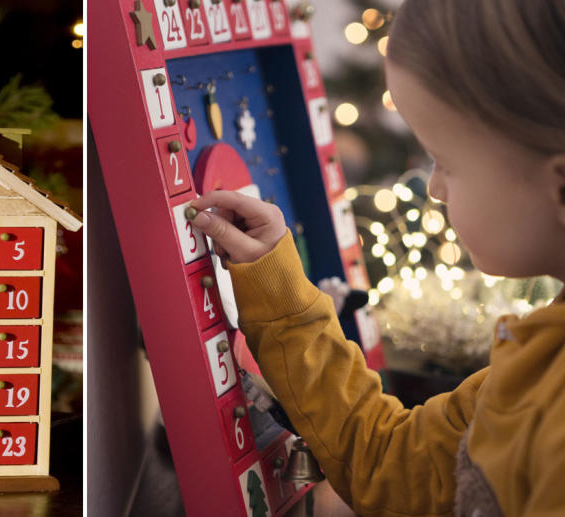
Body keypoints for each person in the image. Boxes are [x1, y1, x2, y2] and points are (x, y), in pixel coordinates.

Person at [189, 1, 565, 515]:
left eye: (447, 162)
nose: (433, 188)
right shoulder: (540, 356)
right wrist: (276, 289)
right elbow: (395, 464)